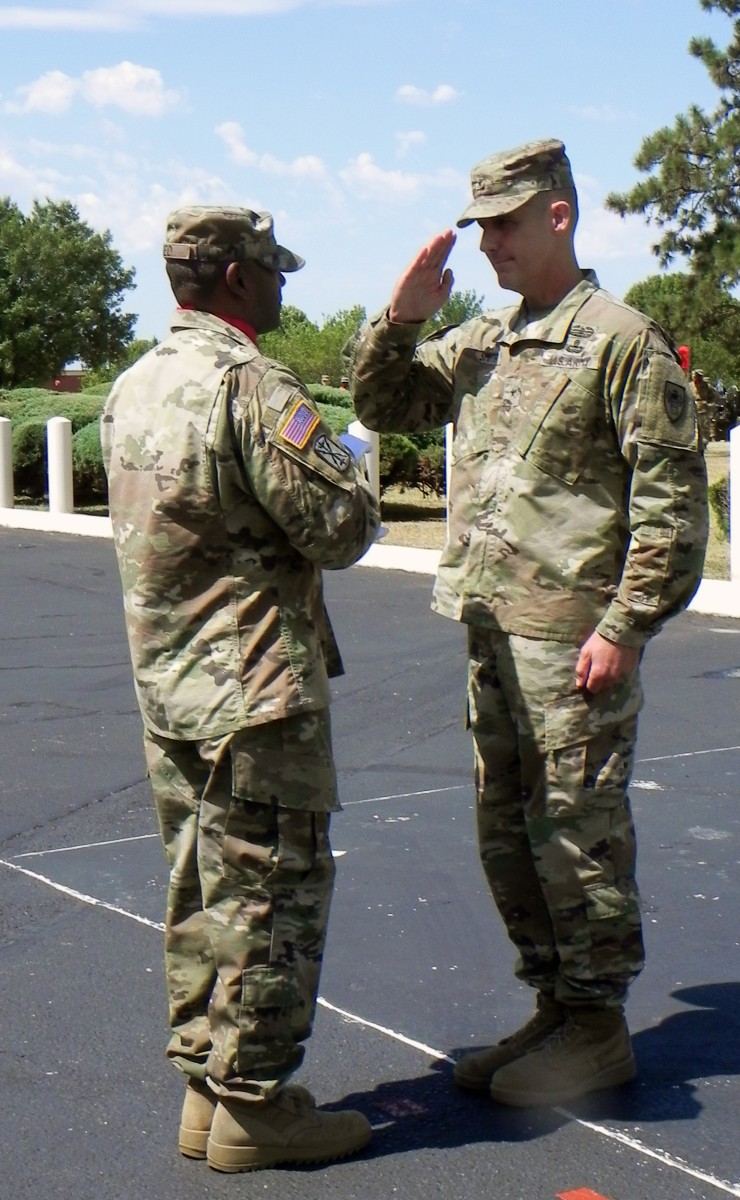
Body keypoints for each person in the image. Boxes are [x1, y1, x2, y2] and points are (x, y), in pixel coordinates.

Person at [345, 140, 708, 1108]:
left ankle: (596, 1028)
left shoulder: (621, 341)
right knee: (507, 832)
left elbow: (669, 504)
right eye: (479, 226)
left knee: (575, 833)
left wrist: (625, 626)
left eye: (503, 222)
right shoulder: (489, 335)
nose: (488, 241)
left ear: (557, 215)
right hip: (491, 627)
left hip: (570, 641)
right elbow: (382, 405)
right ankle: (553, 1005)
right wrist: (401, 316)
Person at [101, 205, 380, 1171]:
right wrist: (354, 470)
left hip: (169, 684)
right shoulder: (249, 384)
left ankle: (203, 1087)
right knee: (271, 894)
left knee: (195, 892)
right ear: (232, 278)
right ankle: (256, 1108)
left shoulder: (136, 385)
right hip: (255, 693)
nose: (280, 286)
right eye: (271, 271)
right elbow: (341, 525)